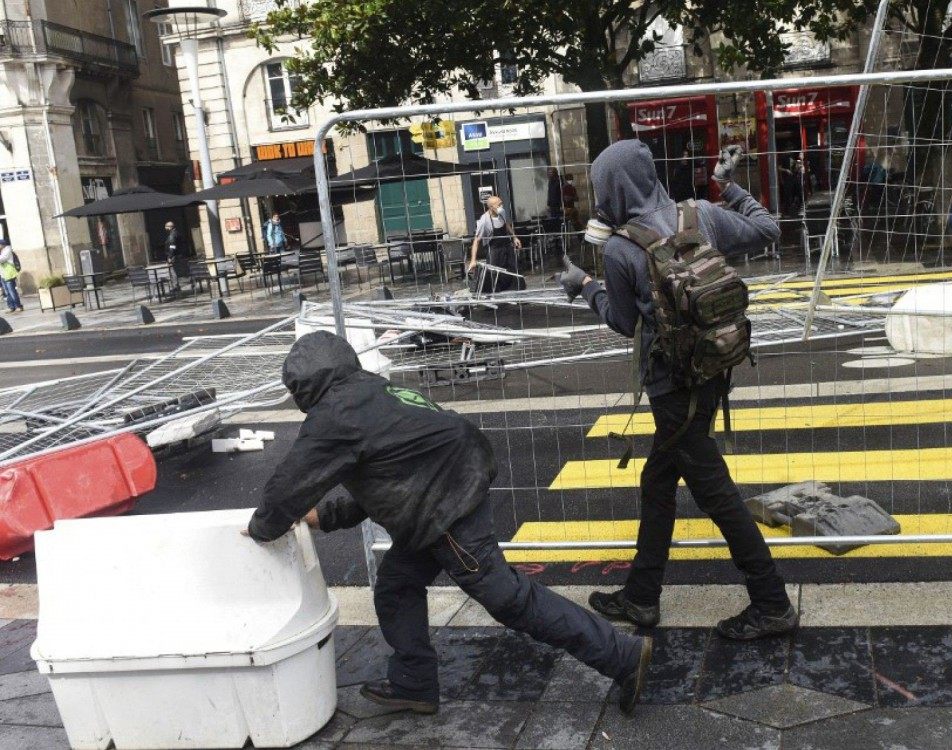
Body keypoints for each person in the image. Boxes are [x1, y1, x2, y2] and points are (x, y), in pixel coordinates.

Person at [245, 331, 653, 715]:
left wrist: (262, 529)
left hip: (444, 508)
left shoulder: (333, 416)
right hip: (447, 487)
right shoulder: (372, 391)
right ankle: (414, 684)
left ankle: (622, 655)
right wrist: (327, 517)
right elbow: (390, 474)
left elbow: (285, 490)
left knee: (511, 601)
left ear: (303, 387)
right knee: (397, 585)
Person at [557, 140, 796, 639]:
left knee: (717, 493)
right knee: (658, 482)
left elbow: (624, 322)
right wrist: (729, 187)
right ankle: (642, 597)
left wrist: (585, 288)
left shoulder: (622, 249)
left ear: (611, 189)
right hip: (713, 369)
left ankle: (772, 602)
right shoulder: (701, 215)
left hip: (670, 388)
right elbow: (769, 229)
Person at [468, 195, 525, 293]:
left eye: (501, 203)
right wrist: (473, 260)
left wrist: (514, 237)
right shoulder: (484, 221)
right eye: (499, 205)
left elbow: (506, 224)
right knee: (493, 273)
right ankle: (493, 294)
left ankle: (518, 291)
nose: (501, 206)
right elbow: (476, 241)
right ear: (491, 207)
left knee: (512, 268)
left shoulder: (502, 213)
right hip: (494, 249)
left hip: (506, 246)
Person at [165, 221, 187, 296]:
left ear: (170, 227)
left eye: (166, 227)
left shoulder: (172, 235)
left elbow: (172, 246)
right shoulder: (177, 233)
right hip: (178, 256)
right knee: (175, 271)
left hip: (174, 257)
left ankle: (175, 286)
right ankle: (176, 286)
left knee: (173, 271)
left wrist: (170, 257)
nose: (165, 228)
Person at [0, 240, 22, 313]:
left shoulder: (7, 250)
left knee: (12, 291)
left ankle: (18, 306)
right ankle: (11, 307)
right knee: (6, 292)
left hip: (9, 274)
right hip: (3, 274)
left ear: (2, 245)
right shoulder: (2, 251)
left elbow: (2, 259)